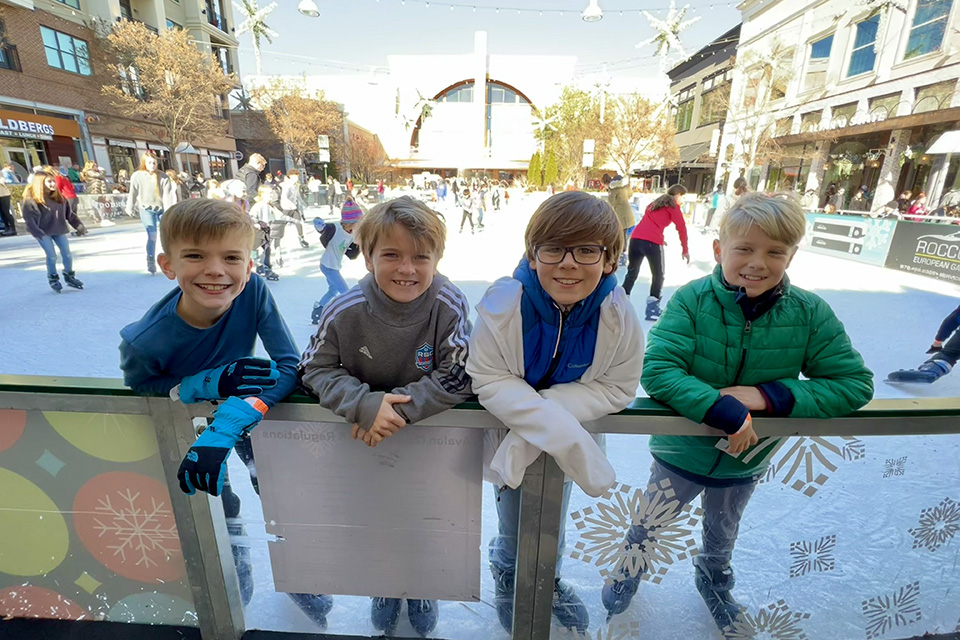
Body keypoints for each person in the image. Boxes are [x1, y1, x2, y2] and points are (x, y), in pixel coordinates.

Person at [601, 192, 873, 629]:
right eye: (744, 248)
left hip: (746, 458)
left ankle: (713, 579)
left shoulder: (808, 313)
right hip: (680, 452)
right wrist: (722, 407)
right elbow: (658, 369)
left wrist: (768, 397)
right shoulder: (692, 301)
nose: (757, 263)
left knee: (722, 533)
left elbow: (854, 384)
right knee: (649, 522)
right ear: (718, 250)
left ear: (792, 255)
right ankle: (629, 567)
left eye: (774, 252)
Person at [118, 198, 333, 628]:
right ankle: (235, 579)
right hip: (190, 424)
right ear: (167, 265)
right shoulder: (145, 340)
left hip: (245, 412)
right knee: (219, 501)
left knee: (277, 492)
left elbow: (290, 365)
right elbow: (142, 387)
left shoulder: (252, 291)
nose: (216, 270)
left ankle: (300, 578)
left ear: (249, 265)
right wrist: (202, 384)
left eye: (231, 257)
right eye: (195, 256)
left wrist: (233, 417)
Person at [466, 191, 643, 634]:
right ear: (533, 252)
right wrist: (564, 435)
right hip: (509, 432)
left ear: (610, 258)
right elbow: (487, 376)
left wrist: (551, 416)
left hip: (548, 437)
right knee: (513, 522)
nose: (568, 263)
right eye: (553, 249)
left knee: (554, 523)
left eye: (586, 250)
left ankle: (549, 578)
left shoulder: (617, 315)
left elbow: (619, 386)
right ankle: (509, 576)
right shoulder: (505, 304)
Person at [300, 196, 473, 638]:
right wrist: (363, 404)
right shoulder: (345, 309)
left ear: (437, 258)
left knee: (424, 517)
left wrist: (394, 410)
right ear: (369, 256)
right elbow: (312, 368)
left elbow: (459, 373)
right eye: (391, 255)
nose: (407, 269)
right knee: (375, 515)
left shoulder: (448, 305)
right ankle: (385, 585)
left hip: (426, 441)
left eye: (421, 257)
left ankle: (421, 587)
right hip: (363, 441)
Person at [622, 184, 690, 321]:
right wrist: (685, 249)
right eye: (682, 197)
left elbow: (651, 223)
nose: (682, 201)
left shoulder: (655, 204)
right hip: (652, 242)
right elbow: (681, 228)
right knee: (658, 275)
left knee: (632, 272)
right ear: (678, 195)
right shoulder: (673, 207)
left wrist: (660, 237)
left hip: (636, 239)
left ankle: (620, 303)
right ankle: (652, 308)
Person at [21, 168, 87, 292]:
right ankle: (53, 278)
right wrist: (37, 232)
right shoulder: (32, 199)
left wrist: (79, 226)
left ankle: (69, 276)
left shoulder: (59, 197)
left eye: (53, 181)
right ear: (40, 184)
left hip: (59, 229)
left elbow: (70, 215)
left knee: (67, 254)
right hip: (42, 232)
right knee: (51, 256)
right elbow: (29, 220)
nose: (53, 184)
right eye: (49, 182)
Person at [310, 199, 363, 323]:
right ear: (351, 222)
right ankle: (351, 317)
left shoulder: (352, 233)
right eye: (359, 223)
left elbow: (352, 250)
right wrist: (320, 226)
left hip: (333, 266)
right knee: (346, 292)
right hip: (328, 266)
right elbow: (325, 229)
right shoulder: (336, 228)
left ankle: (318, 308)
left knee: (332, 290)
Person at [127, 152, 176, 274]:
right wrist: (130, 206)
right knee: (152, 235)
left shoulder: (163, 177)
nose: (152, 165)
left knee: (168, 235)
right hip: (146, 209)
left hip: (161, 209)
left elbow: (167, 196)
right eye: (149, 162)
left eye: (154, 162)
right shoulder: (137, 176)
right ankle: (150, 259)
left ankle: (172, 259)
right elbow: (132, 192)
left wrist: (168, 213)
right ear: (144, 163)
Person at [249, 185, 283, 280]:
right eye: (270, 194)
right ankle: (258, 266)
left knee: (267, 250)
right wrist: (256, 223)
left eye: (272, 193)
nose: (272, 196)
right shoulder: (258, 205)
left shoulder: (270, 206)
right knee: (255, 250)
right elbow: (252, 216)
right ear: (263, 195)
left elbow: (279, 215)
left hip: (266, 232)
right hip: (258, 232)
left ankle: (266, 268)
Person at [607, 174, 635, 266]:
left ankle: (621, 256)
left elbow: (610, 203)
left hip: (620, 216)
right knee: (624, 236)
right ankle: (622, 255)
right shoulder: (625, 188)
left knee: (621, 236)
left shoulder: (614, 190)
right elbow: (630, 195)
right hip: (628, 214)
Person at [280, 170, 309, 248]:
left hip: (294, 207)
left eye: (297, 176)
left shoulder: (296, 185)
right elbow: (284, 197)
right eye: (295, 176)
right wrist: (292, 205)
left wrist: (303, 203)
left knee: (298, 222)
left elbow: (298, 196)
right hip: (286, 208)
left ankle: (301, 238)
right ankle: (277, 239)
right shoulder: (287, 185)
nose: (297, 178)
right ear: (290, 176)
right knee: (282, 224)